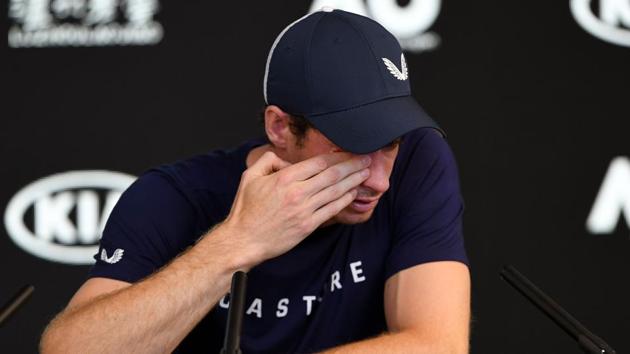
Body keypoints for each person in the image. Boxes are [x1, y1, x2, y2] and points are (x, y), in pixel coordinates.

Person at [40, 8, 470, 354]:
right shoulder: (174, 198)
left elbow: (439, 344)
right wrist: (235, 243)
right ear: (281, 128)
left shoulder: (418, 158)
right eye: (352, 146)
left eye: (389, 141)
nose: (379, 181)